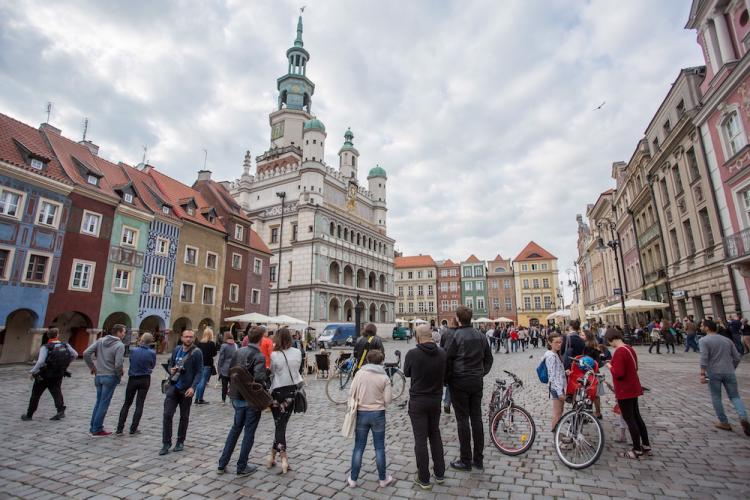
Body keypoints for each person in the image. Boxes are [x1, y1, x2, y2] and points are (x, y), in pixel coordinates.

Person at [445, 306, 493, 471]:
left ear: (458, 318)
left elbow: (447, 358)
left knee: (463, 420)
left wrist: (448, 379)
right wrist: (481, 373)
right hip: (476, 381)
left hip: (459, 381)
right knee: (477, 419)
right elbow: (489, 359)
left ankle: (465, 460)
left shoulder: (456, 336)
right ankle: (478, 459)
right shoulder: (481, 336)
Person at [218, 326, 269, 475]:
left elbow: (230, 371)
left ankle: (222, 463)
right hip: (250, 399)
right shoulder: (258, 355)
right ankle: (242, 466)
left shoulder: (238, 351)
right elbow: (259, 379)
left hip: (236, 397)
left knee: (235, 430)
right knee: (248, 433)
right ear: (261, 339)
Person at [404, 325, 446, 490]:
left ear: (417, 337)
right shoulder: (442, 353)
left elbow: (406, 373)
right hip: (435, 400)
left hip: (418, 401)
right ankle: (440, 473)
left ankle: (424, 478)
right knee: (435, 434)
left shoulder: (413, 354)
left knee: (420, 440)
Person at [347, 349, 394, 489]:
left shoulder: (359, 374)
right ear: (381, 361)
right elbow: (388, 400)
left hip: (361, 413)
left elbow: (351, 393)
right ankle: (383, 479)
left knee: (359, 447)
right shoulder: (384, 377)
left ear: (367, 360)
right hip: (378, 413)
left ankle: (353, 479)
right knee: (379, 447)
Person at [604, 328, 651, 459]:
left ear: (612, 339)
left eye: (609, 342)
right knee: (637, 417)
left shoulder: (619, 352)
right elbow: (635, 367)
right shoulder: (629, 348)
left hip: (624, 389)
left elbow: (619, 373)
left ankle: (636, 449)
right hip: (633, 387)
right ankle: (646, 445)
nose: (610, 345)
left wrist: (609, 366)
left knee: (630, 419)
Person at [699, 320, 749, 435]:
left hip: (713, 372)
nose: (701, 327)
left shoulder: (704, 340)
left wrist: (702, 373)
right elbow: (737, 357)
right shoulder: (727, 340)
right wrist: (732, 368)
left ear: (707, 328)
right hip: (729, 371)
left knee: (716, 397)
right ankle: (743, 417)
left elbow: (704, 357)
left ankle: (724, 422)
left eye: (702, 325)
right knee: (735, 396)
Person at [160, 329, 203, 455]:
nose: (188, 339)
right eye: (186, 337)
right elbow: (170, 364)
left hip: (186, 389)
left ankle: (180, 441)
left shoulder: (197, 352)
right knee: (167, 414)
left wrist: (193, 387)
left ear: (194, 338)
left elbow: (199, 372)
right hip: (174, 386)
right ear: (182, 337)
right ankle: (166, 442)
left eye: (191, 337)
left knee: (184, 417)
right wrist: (171, 370)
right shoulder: (177, 349)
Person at [21, 328, 78, 421]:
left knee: (36, 394)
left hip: (44, 375)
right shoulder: (65, 345)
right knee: (57, 392)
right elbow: (75, 354)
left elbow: (40, 362)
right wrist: (66, 363)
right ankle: (60, 411)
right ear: (57, 335)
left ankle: (29, 414)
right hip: (58, 373)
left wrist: (32, 371)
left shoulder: (46, 346)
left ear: (48, 336)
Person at [268, 328, 303, 474]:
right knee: (281, 425)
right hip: (291, 393)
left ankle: (283, 459)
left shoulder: (274, 355)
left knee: (279, 425)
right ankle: (271, 457)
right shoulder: (297, 352)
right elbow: (298, 370)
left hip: (277, 392)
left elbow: (273, 373)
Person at [83, 324, 126, 436]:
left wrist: (93, 367)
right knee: (104, 403)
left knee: (98, 402)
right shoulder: (119, 345)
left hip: (99, 375)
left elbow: (86, 353)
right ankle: (97, 429)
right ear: (119, 332)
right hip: (110, 376)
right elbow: (118, 364)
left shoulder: (101, 340)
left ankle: (93, 427)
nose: (124, 334)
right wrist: (119, 375)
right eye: (124, 332)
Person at [116, 332, 157, 435]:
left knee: (127, 403)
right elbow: (152, 365)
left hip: (133, 378)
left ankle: (119, 428)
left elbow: (131, 361)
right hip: (145, 379)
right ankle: (133, 428)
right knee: (140, 404)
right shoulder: (152, 353)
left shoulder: (133, 351)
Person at [543, 332, 566, 430]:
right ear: (550, 342)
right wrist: (560, 392)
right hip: (556, 388)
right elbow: (552, 375)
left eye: (560, 342)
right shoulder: (551, 356)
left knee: (560, 412)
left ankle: (556, 433)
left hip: (559, 386)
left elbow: (557, 371)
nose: (559, 344)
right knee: (557, 414)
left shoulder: (554, 353)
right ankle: (555, 435)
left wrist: (565, 372)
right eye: (556, 342)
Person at [582, 330, 604, 419]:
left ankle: (589, 412)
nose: (581, 336)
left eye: (583, 335)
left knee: (589, 392)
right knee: (595, 393)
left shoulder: (587, 347)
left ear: (587, 336)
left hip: (589, 371)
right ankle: (598, 412)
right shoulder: (595, 345)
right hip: (596, 371)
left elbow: (586, 360)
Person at [195, 328, 218, 404]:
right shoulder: (211, 343)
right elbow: (214, 353)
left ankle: (196, 398)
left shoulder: (199, 343)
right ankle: (200, 399)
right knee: (203, 381)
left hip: (199, 364)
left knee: (199, 381)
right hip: (207, 364)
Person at [439, 320, 456, 414]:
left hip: (448, 363)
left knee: (449, 384)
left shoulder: (445, 334)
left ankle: (446, 402)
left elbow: (441, 349)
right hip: (459, 364)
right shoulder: (460, 333)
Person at [217, 331, 238, 404]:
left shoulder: (224, 346)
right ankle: (232, 399)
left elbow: (221, 358)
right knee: (232, 385)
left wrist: (219, 368)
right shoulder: (235, 345)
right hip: (233, 367)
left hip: (225, 368)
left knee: (224, 385)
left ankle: (223, 400)